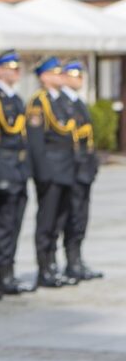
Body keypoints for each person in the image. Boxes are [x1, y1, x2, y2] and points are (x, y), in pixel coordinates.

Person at [27, 57, 78, 287]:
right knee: (46, 222)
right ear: (44, 76)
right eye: (55, 73)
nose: (60, 76)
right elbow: (36, 143)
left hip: (65, 169)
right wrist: (43, 173)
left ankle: (53, 263)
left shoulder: (60, 102)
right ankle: (44, 267)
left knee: (59, 221)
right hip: (51, 171)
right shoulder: (40, 102)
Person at [0, 50, 34, 295]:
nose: (16, 73)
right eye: (11, 68)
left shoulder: (15, 98)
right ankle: (2, 274)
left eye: (18, 69)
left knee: (15, 224)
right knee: (4, 225)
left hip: (18, 169)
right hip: (4, 168)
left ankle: (10, 272)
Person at [61, 60, 103, 281]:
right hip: (71, 170)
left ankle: (77, 259)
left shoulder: (79, 102)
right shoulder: (61, 103)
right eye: (74, 75)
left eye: (80, 75)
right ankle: (70, 260)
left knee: (81, 217)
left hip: (84, 171)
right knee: (70, 216)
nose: (79, 79)